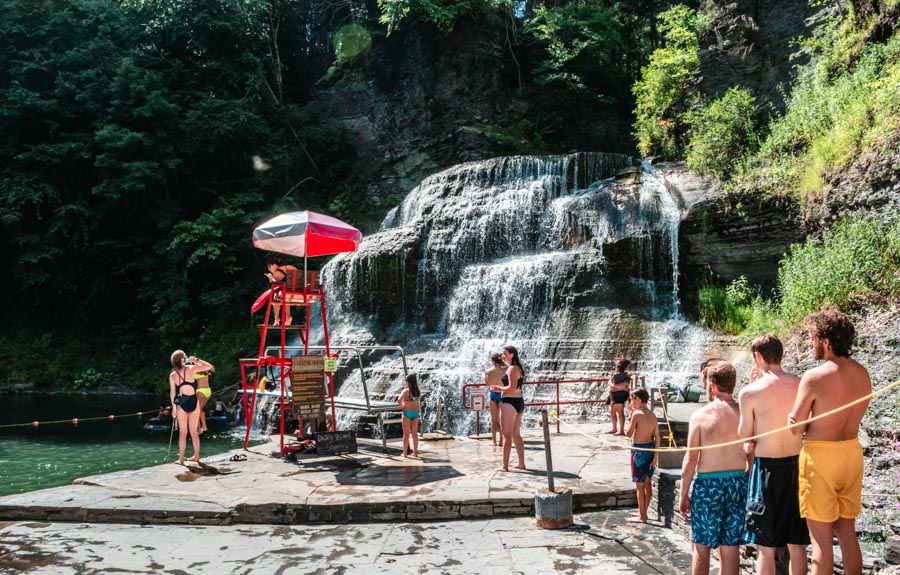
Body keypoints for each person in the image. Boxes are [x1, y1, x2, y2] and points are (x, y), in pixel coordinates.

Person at [788, 310, 871, 575]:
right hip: (851, 453)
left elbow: (796, 428)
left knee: (821, 543)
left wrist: (794, 419)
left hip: (821, 459)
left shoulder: (814, 378)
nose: (810, 344)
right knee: (847, 533)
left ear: (826, 342)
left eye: (812, 338)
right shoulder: (863, 373)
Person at [737, 333, 808, 575]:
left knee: (764, 545)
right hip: (798, 465)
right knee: (798, 542)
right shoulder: (801, 384)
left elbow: (745, 436)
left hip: (765, 468)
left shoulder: (749, 393)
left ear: (758, 356)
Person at [679, 361, 749, 575]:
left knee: (701, 547)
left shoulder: (700, 416)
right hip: (738, 482)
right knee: (730, 549)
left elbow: (691, 459)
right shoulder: (745, 414)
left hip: (708, 485)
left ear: (713, 385)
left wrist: (683, 494)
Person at [169, 350, 214, 465]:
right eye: (185, 357)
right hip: (193, 400)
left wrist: (174, 408)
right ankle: (196, 457)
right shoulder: (191, 368)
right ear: (181, 359)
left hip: (182, 403)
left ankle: (181, 460)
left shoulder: (173, 375)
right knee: (193, 432)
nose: (188, 358)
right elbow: (209, 366)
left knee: (183, 433)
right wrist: (197, 360)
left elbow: (173, 393)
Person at [625, 387, 659, 524]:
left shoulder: (637, 414)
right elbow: (657, 436)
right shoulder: (652, 415)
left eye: (632, 400)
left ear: (638, 399)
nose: (631, 403)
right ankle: (643, 511)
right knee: (647, 482)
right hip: (650, 449)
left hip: (638, 451)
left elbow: (628, 433)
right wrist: (656, 456)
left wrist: (630, 416)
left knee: (639, 485)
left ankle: (642, 516)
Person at [491, 345, 527, 472]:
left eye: (505, 353)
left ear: (512, 354)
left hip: (509, 402)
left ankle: (504, 466)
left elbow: (511, 388)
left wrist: (498, 388)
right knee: (516, 434)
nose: (502, 356)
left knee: (506, 435)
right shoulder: (518, 368)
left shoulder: (512, 369)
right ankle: (521, 463)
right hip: (518, 402)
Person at [485, 352, 507, 446]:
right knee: (501, 420)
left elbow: (487, 383)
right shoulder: (505, 370)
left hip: (493, 394)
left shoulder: (488, 371)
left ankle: (494, 441)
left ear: (493, 361)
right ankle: (501, 441)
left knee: (493, 420)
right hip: (502, 393)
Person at [398, 373, 421, 458]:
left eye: (406, 381)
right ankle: (415, 453)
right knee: (414, 434)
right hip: (415, 413)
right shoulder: (418, 391)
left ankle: (404, 453)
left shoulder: (405, 391)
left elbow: (399, 399)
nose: (405, 382)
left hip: (407, 413)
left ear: (408, 382)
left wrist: (402, 406)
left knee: (406, 434)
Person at [265, 255, 292, 326]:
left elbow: (275, 284)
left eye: (269, 267)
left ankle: (278, 318)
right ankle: (285, 317)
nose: (268, 269)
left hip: (288, 294)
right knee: (279, 294)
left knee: (276, 296)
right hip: (302, 292)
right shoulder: (288, 267)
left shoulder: (278, 272)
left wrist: (271, 278)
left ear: (273, 265)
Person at [608, 358, 632, 435]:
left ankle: (621, 430)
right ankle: (614, 428)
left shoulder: (627, 375)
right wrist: (614, 386)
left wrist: (614, 386)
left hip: (620, 394)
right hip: (615, 393)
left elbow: (626, 384)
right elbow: (610, 381)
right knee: (612, 411)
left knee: (620, 411)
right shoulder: (618, 374)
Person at [195, 368, 213, 434]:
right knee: (200, 409)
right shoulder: (205, 371)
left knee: (196, 410)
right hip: (208, 391)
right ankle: (204, 426)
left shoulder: (195, 371)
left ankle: (199, 429)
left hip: (201, 391)